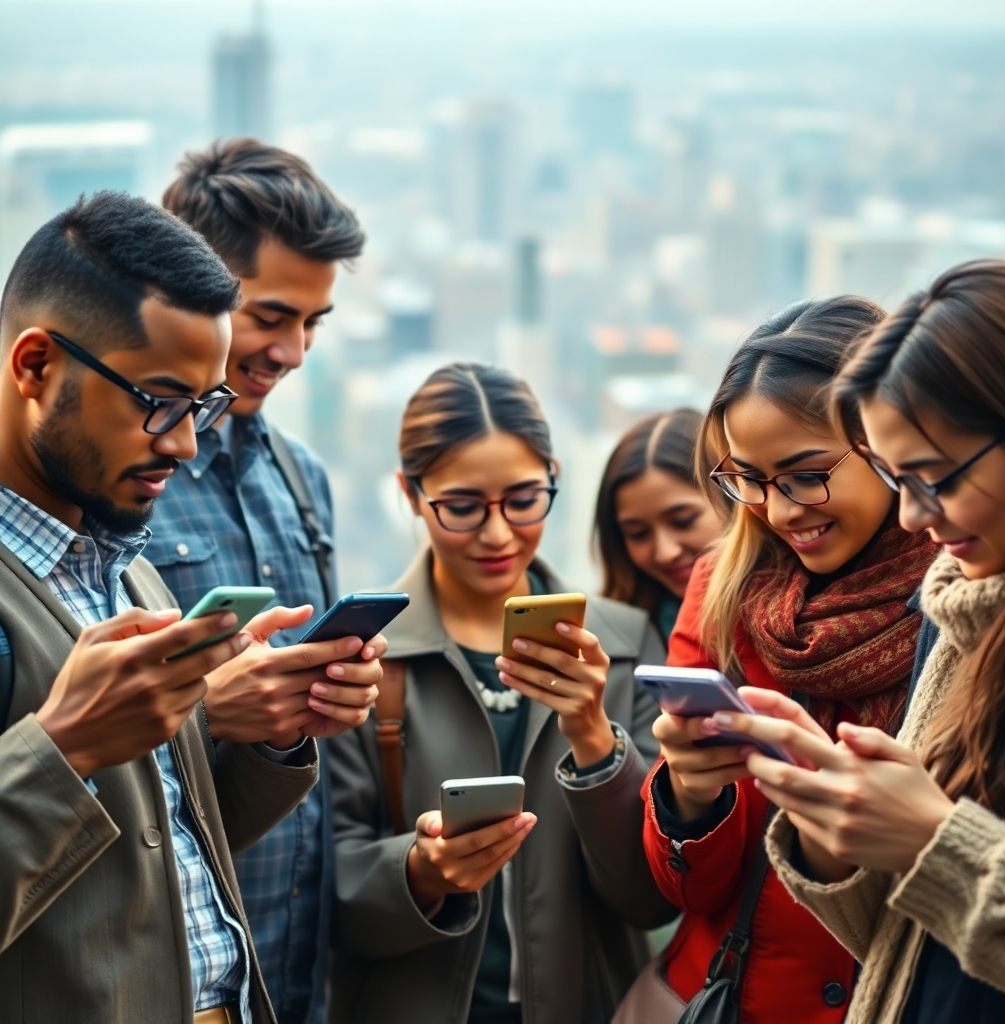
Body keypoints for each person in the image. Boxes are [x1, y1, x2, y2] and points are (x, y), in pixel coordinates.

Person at [0, 191, 322, 1024]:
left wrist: (268, 733)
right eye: (160, 402)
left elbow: (160, 850)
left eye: (205, 407)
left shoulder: (126, 569)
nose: (183, 444)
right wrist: (61, 747)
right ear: (35, 366)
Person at [723, 260, 1005, 1023]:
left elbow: (949, 867)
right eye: (899, 481)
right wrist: (832, 819)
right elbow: (906, 944)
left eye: (935, 479)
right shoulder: (958, 612)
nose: (916, 518)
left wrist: (935, 837)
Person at [329, 362, 675, 1024]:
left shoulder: (623, 647)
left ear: (555, 480)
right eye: (461, 508)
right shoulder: (365, 655)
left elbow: (651, 896)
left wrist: (595, 740)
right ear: (409, 492)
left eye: (523, 500)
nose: (497, 534)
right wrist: (423, 872)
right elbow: (327, 890)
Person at [641, 297, 939, 1023]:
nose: (777, 512)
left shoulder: (963, 589)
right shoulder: (724, 589)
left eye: (806, 475)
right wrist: (686, 794)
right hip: (750, 998)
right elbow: (691, 892)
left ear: (883, 439)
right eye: (747, 480)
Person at [150, 138, 377, 1024]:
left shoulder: (303, 477)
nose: (291, 352)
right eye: (271, 315)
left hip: (293, 959)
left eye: (313, 324)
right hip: (166, 963)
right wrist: (208, 713)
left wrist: (341, 686)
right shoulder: (116, 484)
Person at [594, 408, 721, 644]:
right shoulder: (602, 639)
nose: (665, 553)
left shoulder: (805, 619)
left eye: (683, 521)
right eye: (638, 534)